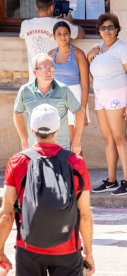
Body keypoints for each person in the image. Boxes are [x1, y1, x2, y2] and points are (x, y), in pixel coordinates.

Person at [0, 104, 95, 276]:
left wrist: (0, 250)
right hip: (68, 249)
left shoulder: (17, 162)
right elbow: (85, 214)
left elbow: (6, 214)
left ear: (32, 128)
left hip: (28, 248)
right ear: (58, 129)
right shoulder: (76, 162)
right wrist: (88, 252)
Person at [87, 13, 127, 196]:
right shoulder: (98, 48)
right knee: (108, 139)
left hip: (118, 95)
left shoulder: (122, 48)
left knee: (119, 137)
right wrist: (89, 56)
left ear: (117, 30)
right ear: (99, 31)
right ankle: (111, 180)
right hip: (100, 96)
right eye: (103, 28)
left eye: (110, 27)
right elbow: (94, 70)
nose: (107, 31)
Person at [14, 53, 85, 154]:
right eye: (44, 68)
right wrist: (24, 139)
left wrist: (76, 141)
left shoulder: (63, 90)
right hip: (34, 148)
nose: (49, 71)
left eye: (52, 67)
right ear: (35, 72)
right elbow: (17, 114)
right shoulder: (25, 90)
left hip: (60, 149)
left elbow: (80, 113)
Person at [20, 0, 85, 82]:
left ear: (36, 7)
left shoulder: (25, 25)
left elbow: (23, 35)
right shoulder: (60, 24)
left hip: (35, 80)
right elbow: (81, 34)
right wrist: (68, 23)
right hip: (55, 81)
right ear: (52, 7)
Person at [49, 21, 90, 141]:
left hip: (74, 99)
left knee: (73, 142)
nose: (62, 37)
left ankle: (77, 160)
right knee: (58, 141)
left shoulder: (78, 54)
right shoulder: (50, 55)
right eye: (59, 34)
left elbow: (85, 85)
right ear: (54, 36)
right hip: (55, 100)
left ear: (70, 34)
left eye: (66, 33)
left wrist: (82, 110)